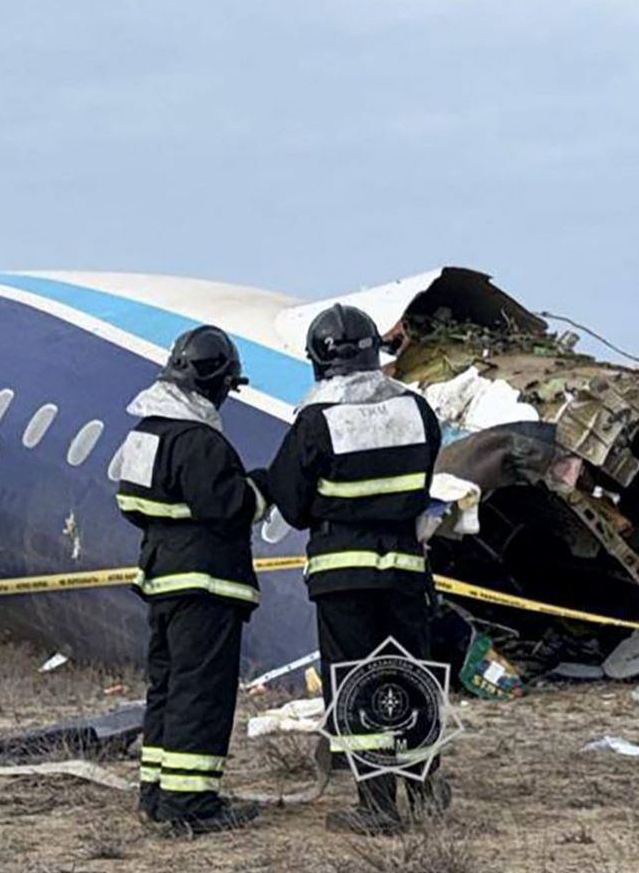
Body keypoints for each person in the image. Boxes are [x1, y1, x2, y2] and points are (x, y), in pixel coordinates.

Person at [264, 304, 447, 836]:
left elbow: (291, 503)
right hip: (406, 570)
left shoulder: (316, 420)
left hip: (344, 576)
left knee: (357, 684)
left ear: (319, 360)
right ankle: (426, 785)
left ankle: (378, 806)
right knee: (412, 675)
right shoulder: (416, 411)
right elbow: (423, 481)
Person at [116, 326, 265, 835]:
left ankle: (156, 794)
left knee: (168, 687)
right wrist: (262, 488)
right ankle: (191, 805)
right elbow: (230, 507)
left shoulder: (145, 433)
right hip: (205, 586)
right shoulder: (199, 441)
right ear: (217, 383)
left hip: (161, 581)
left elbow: (130, 504)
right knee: (201, 691)